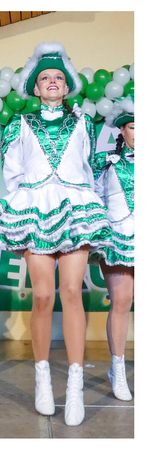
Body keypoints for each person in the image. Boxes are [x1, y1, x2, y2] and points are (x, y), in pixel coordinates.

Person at [0, 42, 110, 427]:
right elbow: (12, 169)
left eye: (59, 77)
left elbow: (89, 166)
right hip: (35, 206)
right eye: (46, 78)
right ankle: (42, 376)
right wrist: (26, 197)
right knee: (42, 295)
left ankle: (74, 384)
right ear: (35, 88)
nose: (53, 82)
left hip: (74, 206)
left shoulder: (84, 123)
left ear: (67, 85)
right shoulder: (19, 124)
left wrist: (80, 194)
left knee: (72, 292)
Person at [95, 95, 134, 402]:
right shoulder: (106, 162)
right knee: (121, 301)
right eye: (133, 127)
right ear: (123, 131)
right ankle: (117, 369)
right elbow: (92, 200)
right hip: (117, 238)